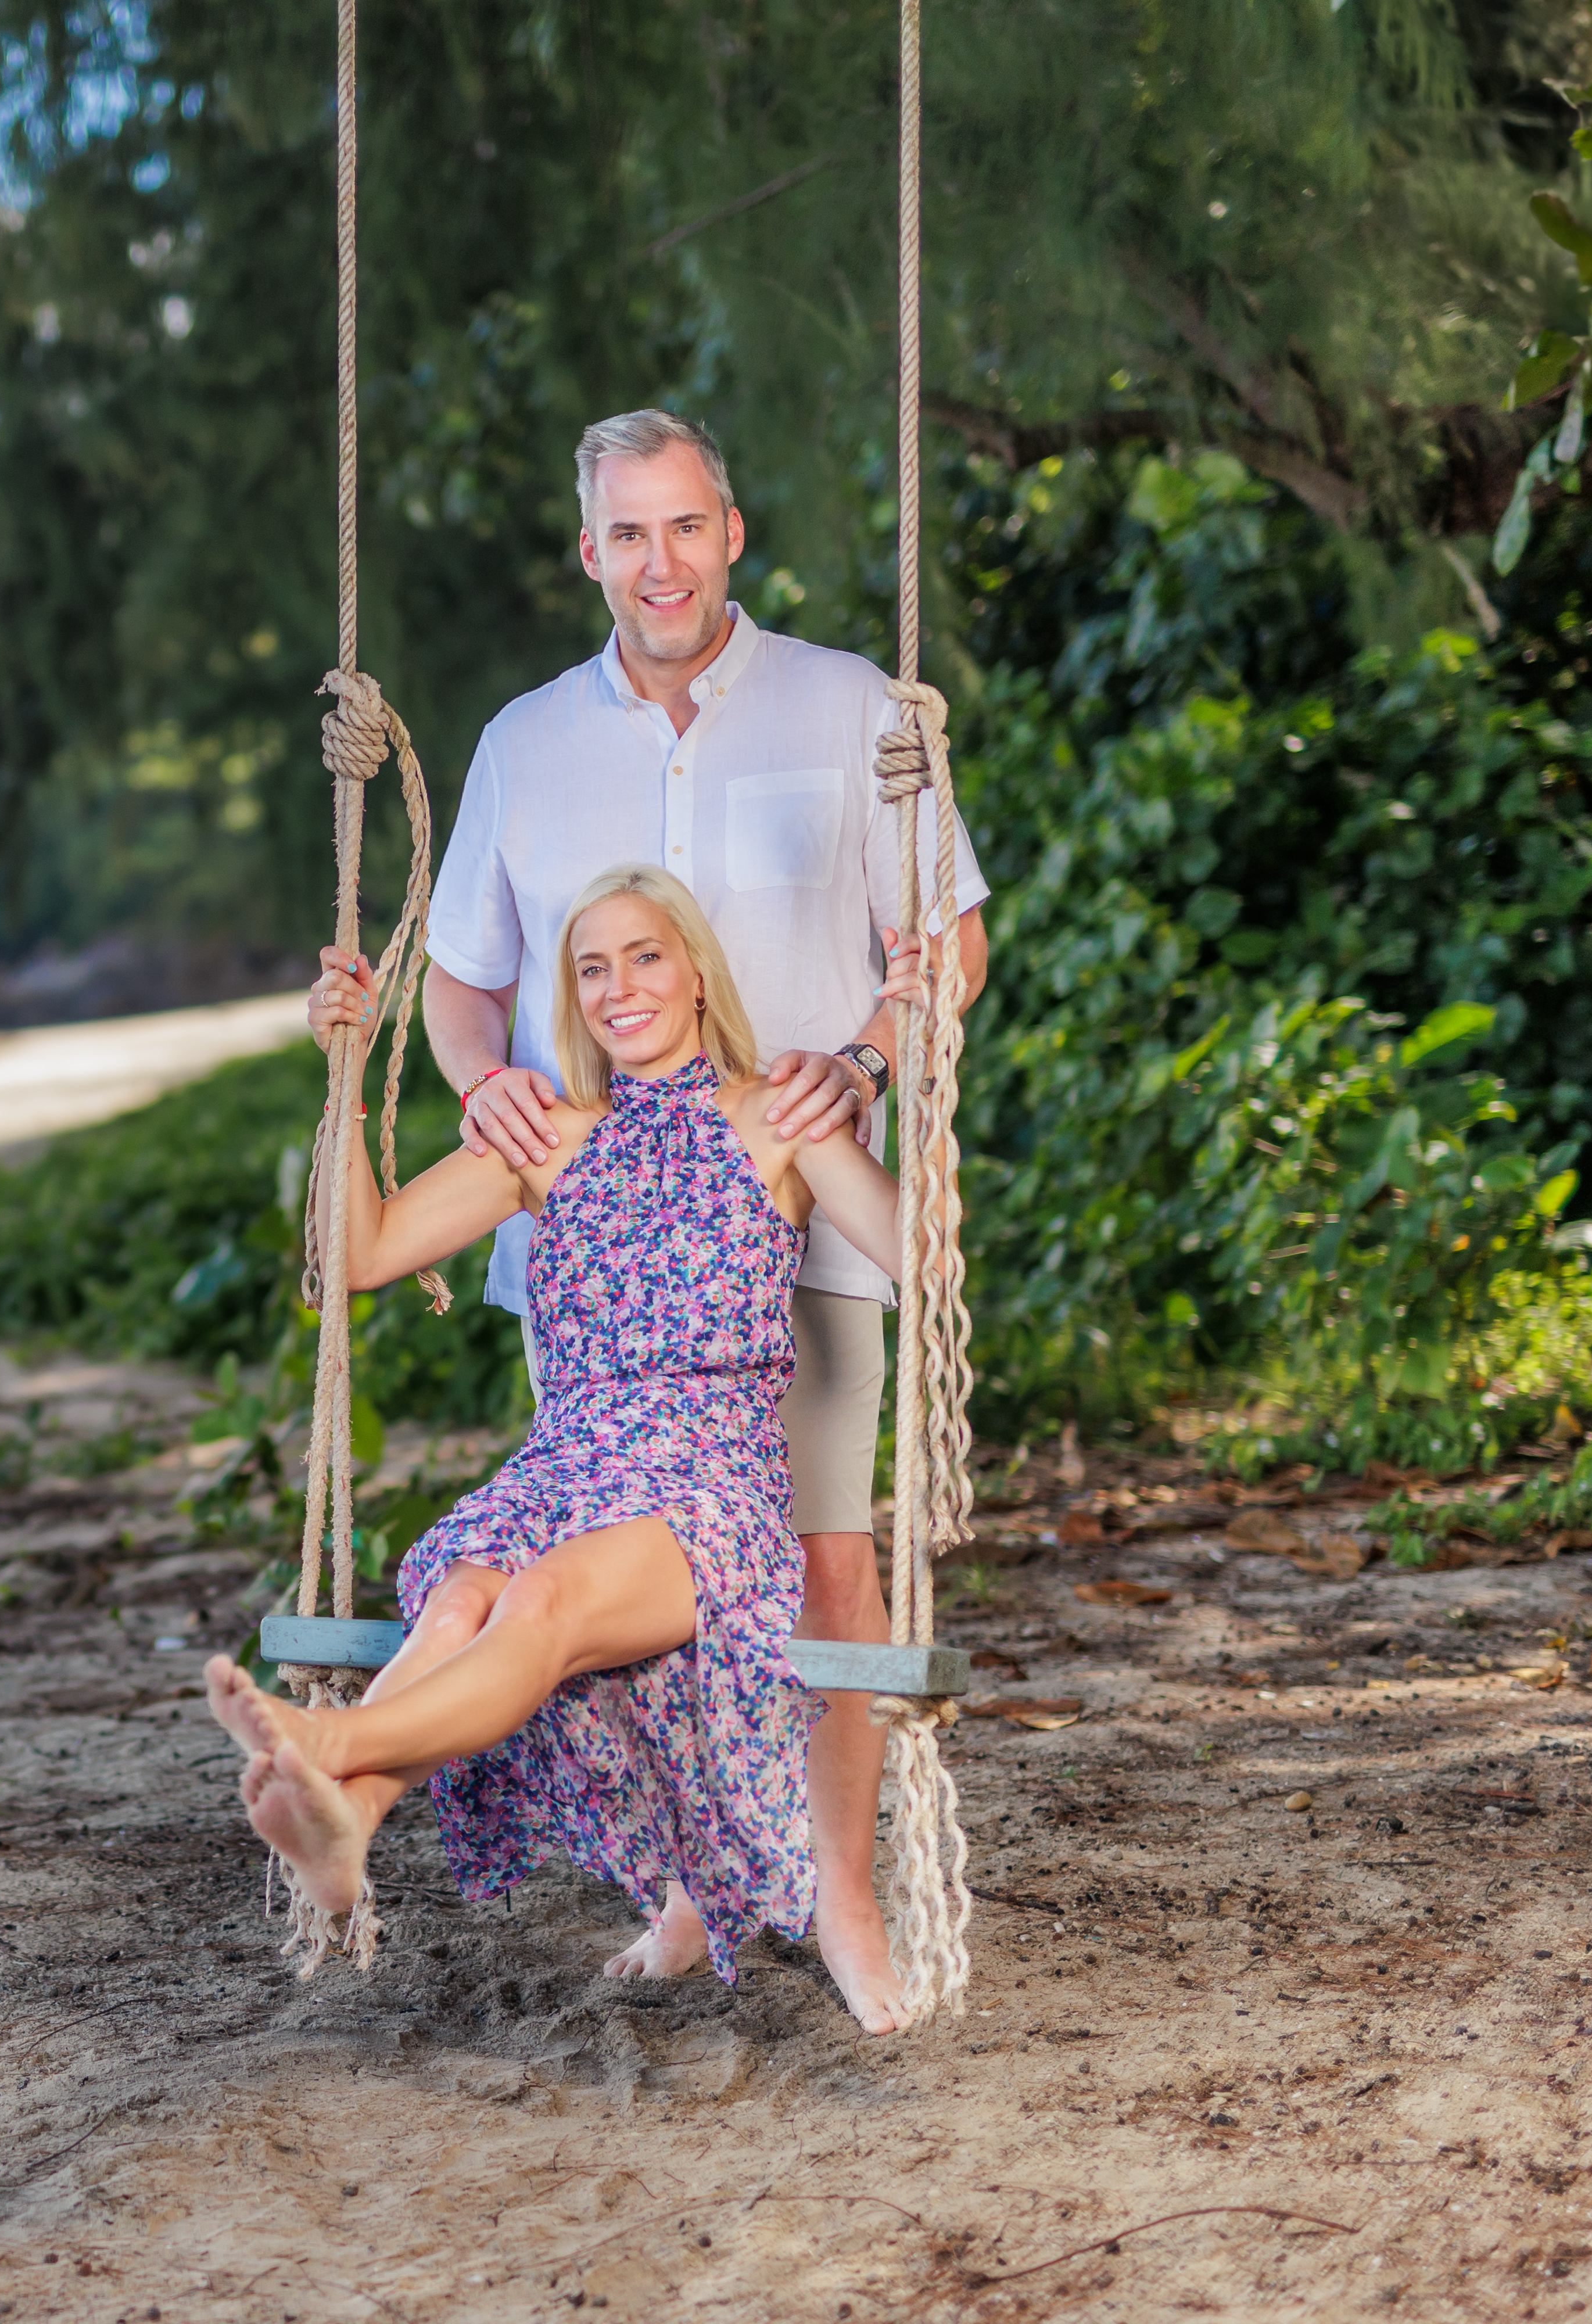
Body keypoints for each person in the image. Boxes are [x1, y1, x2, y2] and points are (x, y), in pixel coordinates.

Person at [415, 407, 989, 2020]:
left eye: (684, 527)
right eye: (625, 533)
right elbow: (467, 991)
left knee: (821, 1571)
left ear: (731, 532)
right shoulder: (526, 742)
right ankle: (692, 1892)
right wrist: (480, 1089)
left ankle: (847, 1899)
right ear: (586, 551)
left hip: (797, 1211)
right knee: (628, 1584)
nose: (657, 562)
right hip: (598, 1255)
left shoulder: (851, 708)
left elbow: (948, 944)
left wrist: (873, 1061)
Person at [204, 864, 916, 2032]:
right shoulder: (548, 1136)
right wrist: (344, 1065)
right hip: (565, 1466)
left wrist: (913, 1049)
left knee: (534, 1604)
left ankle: (332, 1743)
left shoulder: (775, 1114)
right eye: (591, 967)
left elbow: (913, 1253)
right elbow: (360, 1255)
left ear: (695, 972)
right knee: (458, 1604)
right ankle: (353, 1815)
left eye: (644, 955)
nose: (617, 985)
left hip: (703, 1480)